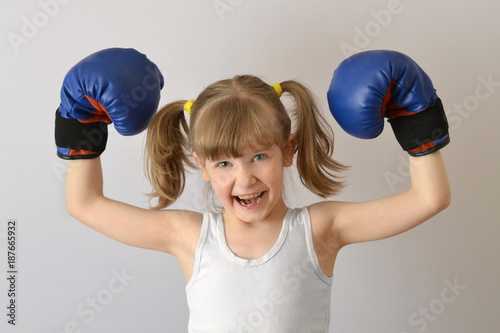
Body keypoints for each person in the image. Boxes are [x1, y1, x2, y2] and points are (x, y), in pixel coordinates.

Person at [57, 48, 451, 332]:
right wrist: (80, 131)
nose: (244, 180)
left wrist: (417, 124)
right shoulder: (190, 237)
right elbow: (84, 204)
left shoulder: (319, 230)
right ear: (203, 166)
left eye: (258, 156)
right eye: (225, 163)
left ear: (287, 151)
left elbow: (428, 199)